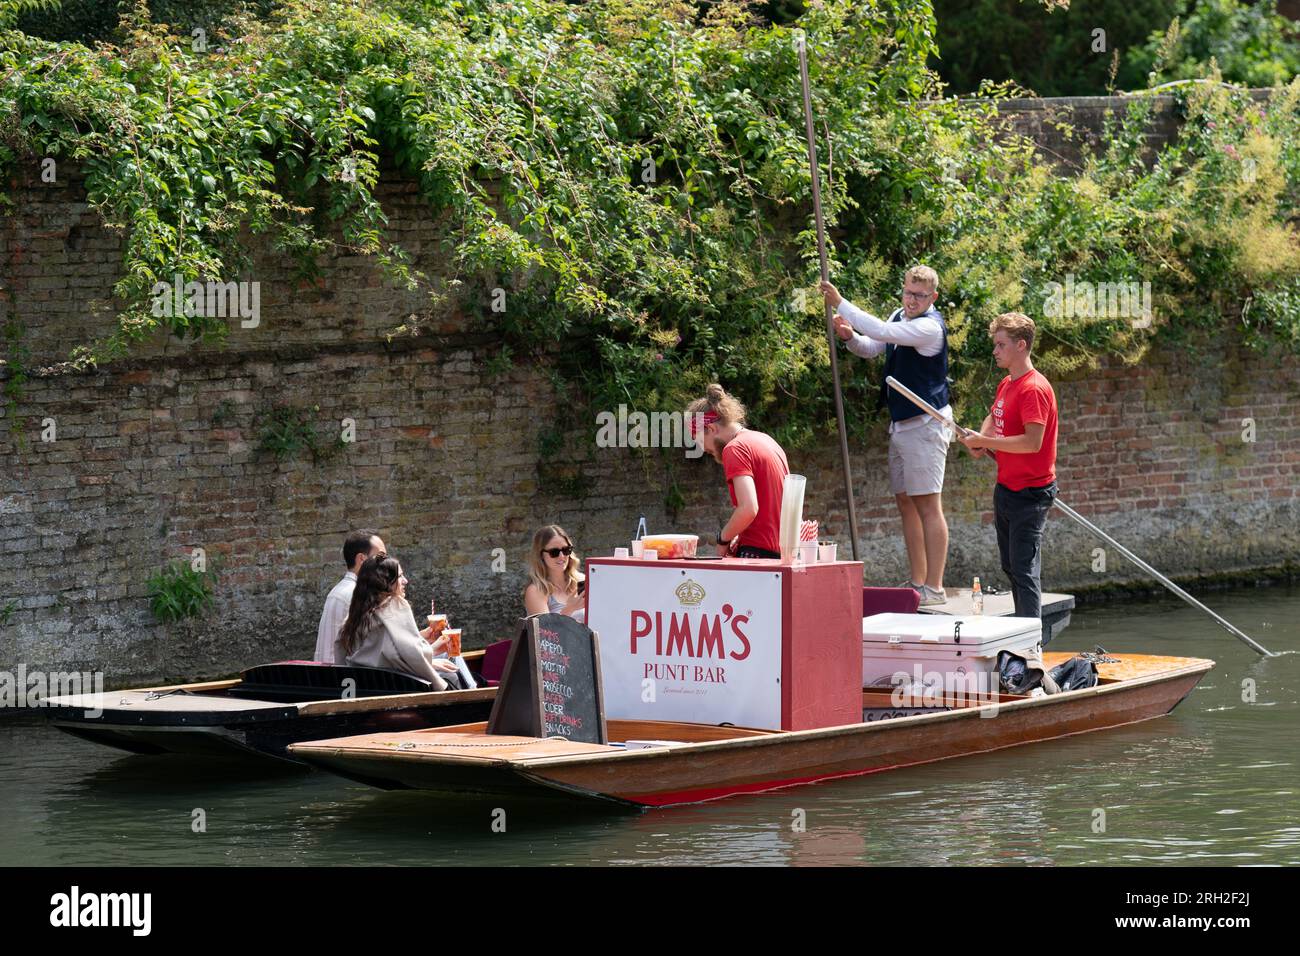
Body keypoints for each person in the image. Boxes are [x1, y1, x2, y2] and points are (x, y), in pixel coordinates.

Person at [821, 267, 951, 606]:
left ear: (932, 298)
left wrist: (841, 303)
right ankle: (917, 581)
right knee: (905, 502)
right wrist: (850, 337)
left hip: (925, 424)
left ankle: (934, 588)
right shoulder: (900, 315)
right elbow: (873, 345)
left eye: (919, 296)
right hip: (901, 425)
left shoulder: (928, 327)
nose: (911, 300)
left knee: (928, 505)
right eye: (908, 292)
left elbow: (881, 329)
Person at [956, 312, 1059, 619]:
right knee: (1010, 565)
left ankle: (1030, 643)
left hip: (1032, 493)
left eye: (1001, 345)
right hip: (1007, 487)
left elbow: (1032, 443)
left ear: (1021, 345)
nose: (995, 351)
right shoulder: (1007, 383)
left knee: (1024, 569)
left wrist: (985, 443)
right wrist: (983, 438)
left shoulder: (1034, 389)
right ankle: (1022, 630)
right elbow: (994, 415)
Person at [685, 383, 789, 559]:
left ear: (710, 429)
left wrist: (723, 539)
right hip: (782, 553)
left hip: (757, 554)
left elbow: (748, 508)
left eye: (700, 440)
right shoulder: (767, 441)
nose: (702, 449)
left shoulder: (735, 448)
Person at [337, 553, 459, 686]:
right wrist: (433, 649)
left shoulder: (354, 617)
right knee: (454, 667)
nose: (405, 581)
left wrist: (420, 637)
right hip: (402, 688)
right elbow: (411, 656)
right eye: (400, 576)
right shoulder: (395, 606)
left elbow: (384, 651)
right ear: (386, 582)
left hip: (368, 686)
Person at [314, 529, 385, 663]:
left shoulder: (347, 592)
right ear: (361, 559)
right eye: (380, 557)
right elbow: (329, 655)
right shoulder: (350, 594)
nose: (385, 564)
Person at [524, 525, 586, 617]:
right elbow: (547, 630)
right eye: (554, 552)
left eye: (566, 550)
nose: (561, 556)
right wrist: (569, 609)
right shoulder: (536, 590)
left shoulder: (582, 580)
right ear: (541, 555)